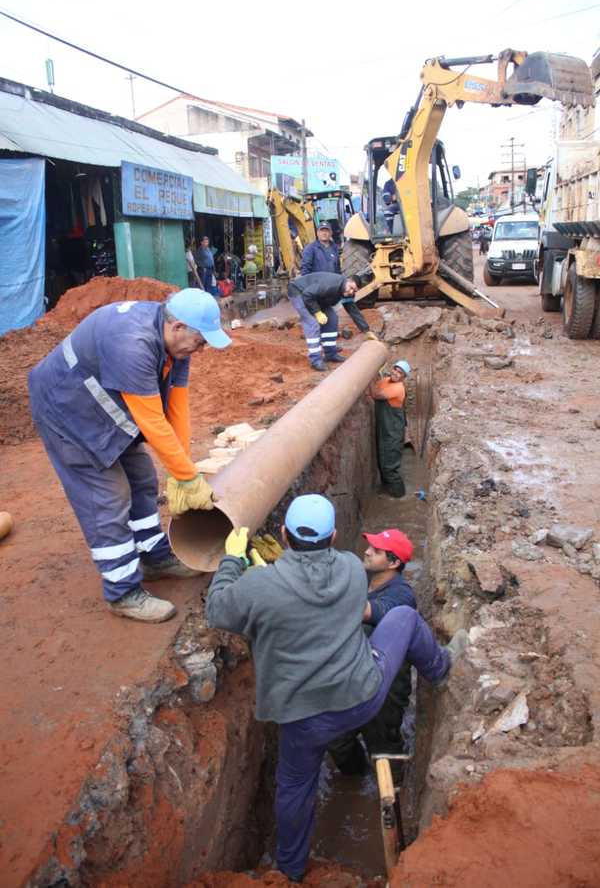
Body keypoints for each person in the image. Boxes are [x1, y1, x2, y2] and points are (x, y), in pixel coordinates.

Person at [206, 494, 468, 883]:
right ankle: (440, 668)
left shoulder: (260, 587)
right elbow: (317, 592)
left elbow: (217, 609)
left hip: (303, 717)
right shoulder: (349, 568)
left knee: (295, 786)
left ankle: (290, 870)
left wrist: (232, 560)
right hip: (362, 695)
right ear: (332, 539)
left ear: (282, 534)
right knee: (404, 617)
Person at [28, 290, 231, 623]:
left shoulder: (176, 347)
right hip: (66, 411)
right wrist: (185, 477)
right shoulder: (132, 343)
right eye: (201, 341)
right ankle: (122, 592)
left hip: (103, 411)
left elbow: (176, 407)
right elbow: (151, 419)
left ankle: (154, 557)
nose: (202, 348)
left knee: (141, 477)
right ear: (178, 327)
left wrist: (182, 471)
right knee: (107, 496)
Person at [328, 528, 416, 774]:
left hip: (384, 689)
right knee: (336, 741)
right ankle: (355, 775)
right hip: (351, 680)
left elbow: (371, 611)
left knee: (384, 752)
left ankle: (393, 796)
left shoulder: (402, 596)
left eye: (376, 551)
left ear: (394, 563)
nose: (366, 551)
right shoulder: (366, 581)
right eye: (369, 546)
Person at [287, 272, 376, 371]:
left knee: (332, 319)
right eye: (351, 287)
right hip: (298, 292)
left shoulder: (347, 293)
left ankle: (330, 354)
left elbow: (353, 310)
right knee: (312, 323)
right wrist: (317, 312)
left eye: (354, 290)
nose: (351, 292)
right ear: (348, 281)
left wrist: (366, 330)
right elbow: (307, 295)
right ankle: (315, 360)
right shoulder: (331, 285)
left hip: (317, 297)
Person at [369, 359, 410, 498]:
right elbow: (376, 387)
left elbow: (375, 394)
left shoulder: (398, 388)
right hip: (384, 428)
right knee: (382, 460)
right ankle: (387, 488)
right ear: (392, 369)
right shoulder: (386, 380)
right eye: (395, 370)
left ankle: (399, 494)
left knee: (390, 465)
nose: (396, 374)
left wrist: (368, 378)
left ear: (403, 377)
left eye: (400, 373)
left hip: (393, 431)